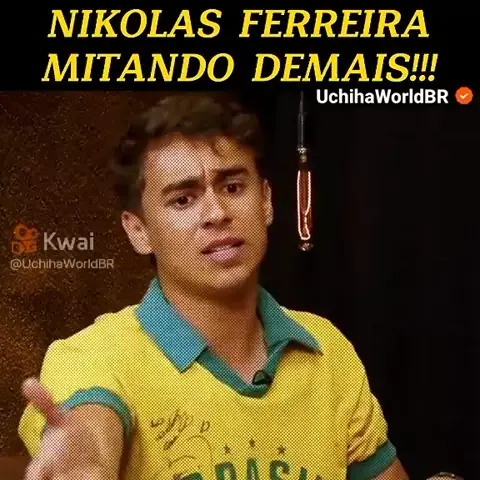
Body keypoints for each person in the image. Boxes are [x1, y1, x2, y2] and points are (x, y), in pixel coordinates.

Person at [18, 92, 409, 480]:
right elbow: (87, 429)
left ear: (266, 201)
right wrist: (86, 457)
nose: (217, 213)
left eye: (233, 187)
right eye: (183, 200)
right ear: (139, 231)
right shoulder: (93, 355)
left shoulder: (327, 350)